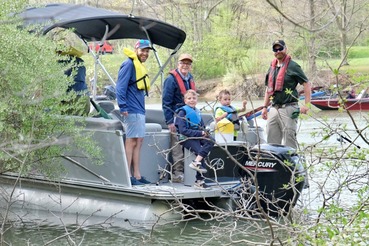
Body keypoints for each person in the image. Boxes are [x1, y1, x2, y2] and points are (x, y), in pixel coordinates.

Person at [261, 40, 311, 149]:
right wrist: (264, 107)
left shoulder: (293, 66)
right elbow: (268, 89)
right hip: (274, 108)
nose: (278, 51)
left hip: (289, 107)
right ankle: (276, 162)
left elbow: (306, 84)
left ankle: (290, 163)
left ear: (285, 49)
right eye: (275, 49)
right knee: (271, 139)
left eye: (280, 48)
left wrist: (307, 105)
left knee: (289, 138)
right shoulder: (272, 67)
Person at [116, 39, 152, 185]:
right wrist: (123, 107)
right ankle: (128, 177)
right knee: (131, 141)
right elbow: (120, 87)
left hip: (139, 109)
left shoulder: (138, 66)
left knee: (139, 141)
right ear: (136, 49)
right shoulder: (129, 64)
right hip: (131, 109)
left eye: (147, 51)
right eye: (143, 50)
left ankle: (137, 175)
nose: (145, 53)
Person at [162, 54, 196, 183]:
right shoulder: (171, 80)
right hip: (177, 117)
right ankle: (178, 174)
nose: (185, 65)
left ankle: (190, 172)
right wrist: (170, 122)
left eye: (188, 63)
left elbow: (192, 99)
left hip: (189, 118)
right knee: (177, 146)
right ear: (178, 63)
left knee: (190, 143)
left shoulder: (190, 78)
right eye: (183, 63)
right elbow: (166, 102)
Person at [175, 90, 214, 189]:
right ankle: (199, 181)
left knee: (211, 140)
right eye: (189, 98)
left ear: (197, 100)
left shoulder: (197, 111)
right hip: (186, 138)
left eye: (194, 98)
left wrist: (205, 132)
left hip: (197, 135)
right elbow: (183, 130)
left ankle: (196, 162)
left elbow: (201, 126)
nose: (191, 100)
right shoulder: (182, 112)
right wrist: (200, 133)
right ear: (185, 100)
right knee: (200, 152)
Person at [58, 46, 90, 116]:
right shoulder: (80, 62)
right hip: (84, 97)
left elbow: (60, 88)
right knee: (83, 125)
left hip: (73, 100)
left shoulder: (61, 63)